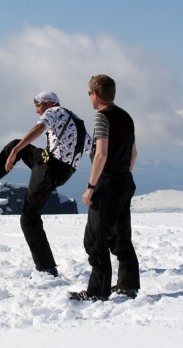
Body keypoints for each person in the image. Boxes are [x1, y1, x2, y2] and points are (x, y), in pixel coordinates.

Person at [0, 91, 92, 277]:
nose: (37, 111)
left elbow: (39, 128)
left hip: (49, 168)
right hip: (62, 169)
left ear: (48, 103)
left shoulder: (53, 112)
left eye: (38, 106)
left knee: (29, 218)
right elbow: (93, 148)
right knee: (19, 145)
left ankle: (46, 268)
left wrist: (15, 151)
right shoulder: (76, 120)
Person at [70, 75, 139, 302]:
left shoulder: (102, 117)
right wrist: (125, 175)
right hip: (124, 181)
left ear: (95, 95)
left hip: (107, 182)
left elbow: (101, 154)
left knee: (95, 238)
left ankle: (97, 292)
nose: (89, 97)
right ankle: (128, 285)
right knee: (121, 235)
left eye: (89, 93)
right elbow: (134, 153)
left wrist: (91, 186)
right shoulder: (126, 116)